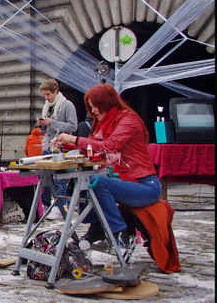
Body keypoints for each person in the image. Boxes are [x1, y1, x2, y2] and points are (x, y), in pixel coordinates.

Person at [53, 83, 161, 244]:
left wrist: (74, 139)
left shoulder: (128, 119)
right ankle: (97, 226)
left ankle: (117, 230)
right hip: (127, 181)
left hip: (145, 186)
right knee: (89, 179)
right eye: (91, 107)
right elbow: (94, 146)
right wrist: (65, 145)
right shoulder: (107, 122)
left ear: (107, 102)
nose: (94, 111)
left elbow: (110, 146)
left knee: (98, 183)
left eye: (95, 106)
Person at [36, 79, 77, 219]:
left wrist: (52, 122)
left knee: (59, 178)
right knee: (44, 176)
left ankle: (60, 206)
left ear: (56, 91)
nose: (46, 97)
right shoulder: (47, 106)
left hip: (61, 147)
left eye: (48, 94)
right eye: (44, 95)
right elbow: (46, 129)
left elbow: (72, 126)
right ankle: (45, 204)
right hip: (47, 145)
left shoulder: (67, 105)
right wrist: (41, 124)